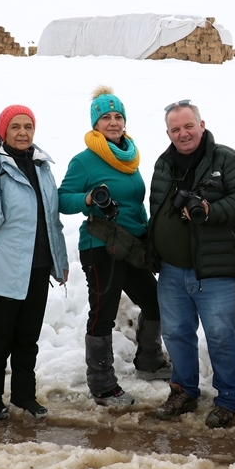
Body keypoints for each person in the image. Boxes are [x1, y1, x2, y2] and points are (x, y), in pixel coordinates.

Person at [59, 87, 171, 408]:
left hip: (132, 245)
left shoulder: (129, 157)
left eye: (118, 116)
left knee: (155, 302)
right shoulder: (84, 160)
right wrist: (89, 198)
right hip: (100, 246)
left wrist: (150, 235)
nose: (113, 122)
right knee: (103, 312)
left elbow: (135, 201)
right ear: (95, 123)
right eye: (105, 117)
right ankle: (102, 384)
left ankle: (149, 359)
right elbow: (61, 198)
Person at [148, 100, 235, 428]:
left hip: (214, 270)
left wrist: (210, 211)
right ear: (168, 133)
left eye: (188, 126)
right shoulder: (164, 163)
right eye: (175, 129)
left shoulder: (226, 158)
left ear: (201, 125)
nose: (183, 134)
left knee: (221, 335)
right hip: (171, 269)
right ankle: (183, 391)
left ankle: (227, 400)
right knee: (177, 333)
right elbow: (156, 210)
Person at [0, 106, 68, 420]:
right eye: (15, 127)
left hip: (37, 268)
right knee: (0, 337)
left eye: (28, 126)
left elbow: (53, 220)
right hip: (5, 267)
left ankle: (24, 395)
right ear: (3, 133)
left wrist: (60, 260)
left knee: (28, 338)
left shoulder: (42, 166)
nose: (23, 132)